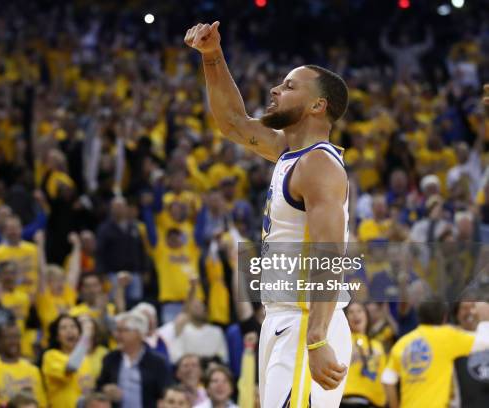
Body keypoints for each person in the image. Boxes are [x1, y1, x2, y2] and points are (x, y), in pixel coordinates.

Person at [185, 22, 351, 407]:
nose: (276, 89)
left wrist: (319, 337)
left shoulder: (319, 166)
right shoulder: (289, 154)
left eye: (291, 86)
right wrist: (212, 57)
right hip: (281, 317)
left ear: (317, 105)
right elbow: (233, 123)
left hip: (306, 319)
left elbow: (331, 256)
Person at [381, 299, 489, 408]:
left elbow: (387, 380)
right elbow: (484, 343)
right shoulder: (448, 337)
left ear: (419, 317)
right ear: (444, 317)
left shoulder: (403, 343)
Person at [96, 311, 173, 407]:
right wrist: (105, 390)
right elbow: (98, 388)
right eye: (117, 330)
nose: (117, 335)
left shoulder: (157, 362)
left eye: (123, 330)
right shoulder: (110, 359)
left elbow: (166, 393)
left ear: (139, 334)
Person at [0, 321, 47, 407]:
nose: (14, 341)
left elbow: (42, 404)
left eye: (16, 337)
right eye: (9, 337)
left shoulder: (33, 370)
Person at [41, 315, 94, 408]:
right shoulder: (51, 356)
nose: (69, 330)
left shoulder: (86, 359)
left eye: (73, 326)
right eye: (63, 328)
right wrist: (86, 335)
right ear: (57, 337)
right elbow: (72, 366)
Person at [341, 302, 387, 408]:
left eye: (359, 311)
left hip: (373, 402)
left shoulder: (377, 345)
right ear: (346, 318)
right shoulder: (342, 341)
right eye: (351, 312)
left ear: (366, 316)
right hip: (346, 401)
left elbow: (382, 376)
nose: (355, 315)